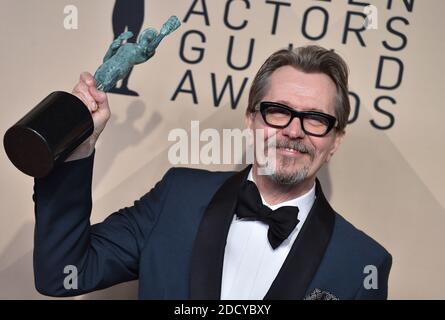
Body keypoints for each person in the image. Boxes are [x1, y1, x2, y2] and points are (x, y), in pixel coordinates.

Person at [33, 45, 392, 300]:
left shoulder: (361, 263)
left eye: (315, 119)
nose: (294, 131)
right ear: (250, 119)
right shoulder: (177, 196)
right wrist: (77, 142)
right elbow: (62, 272)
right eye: (278, 111)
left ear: (335, 141)